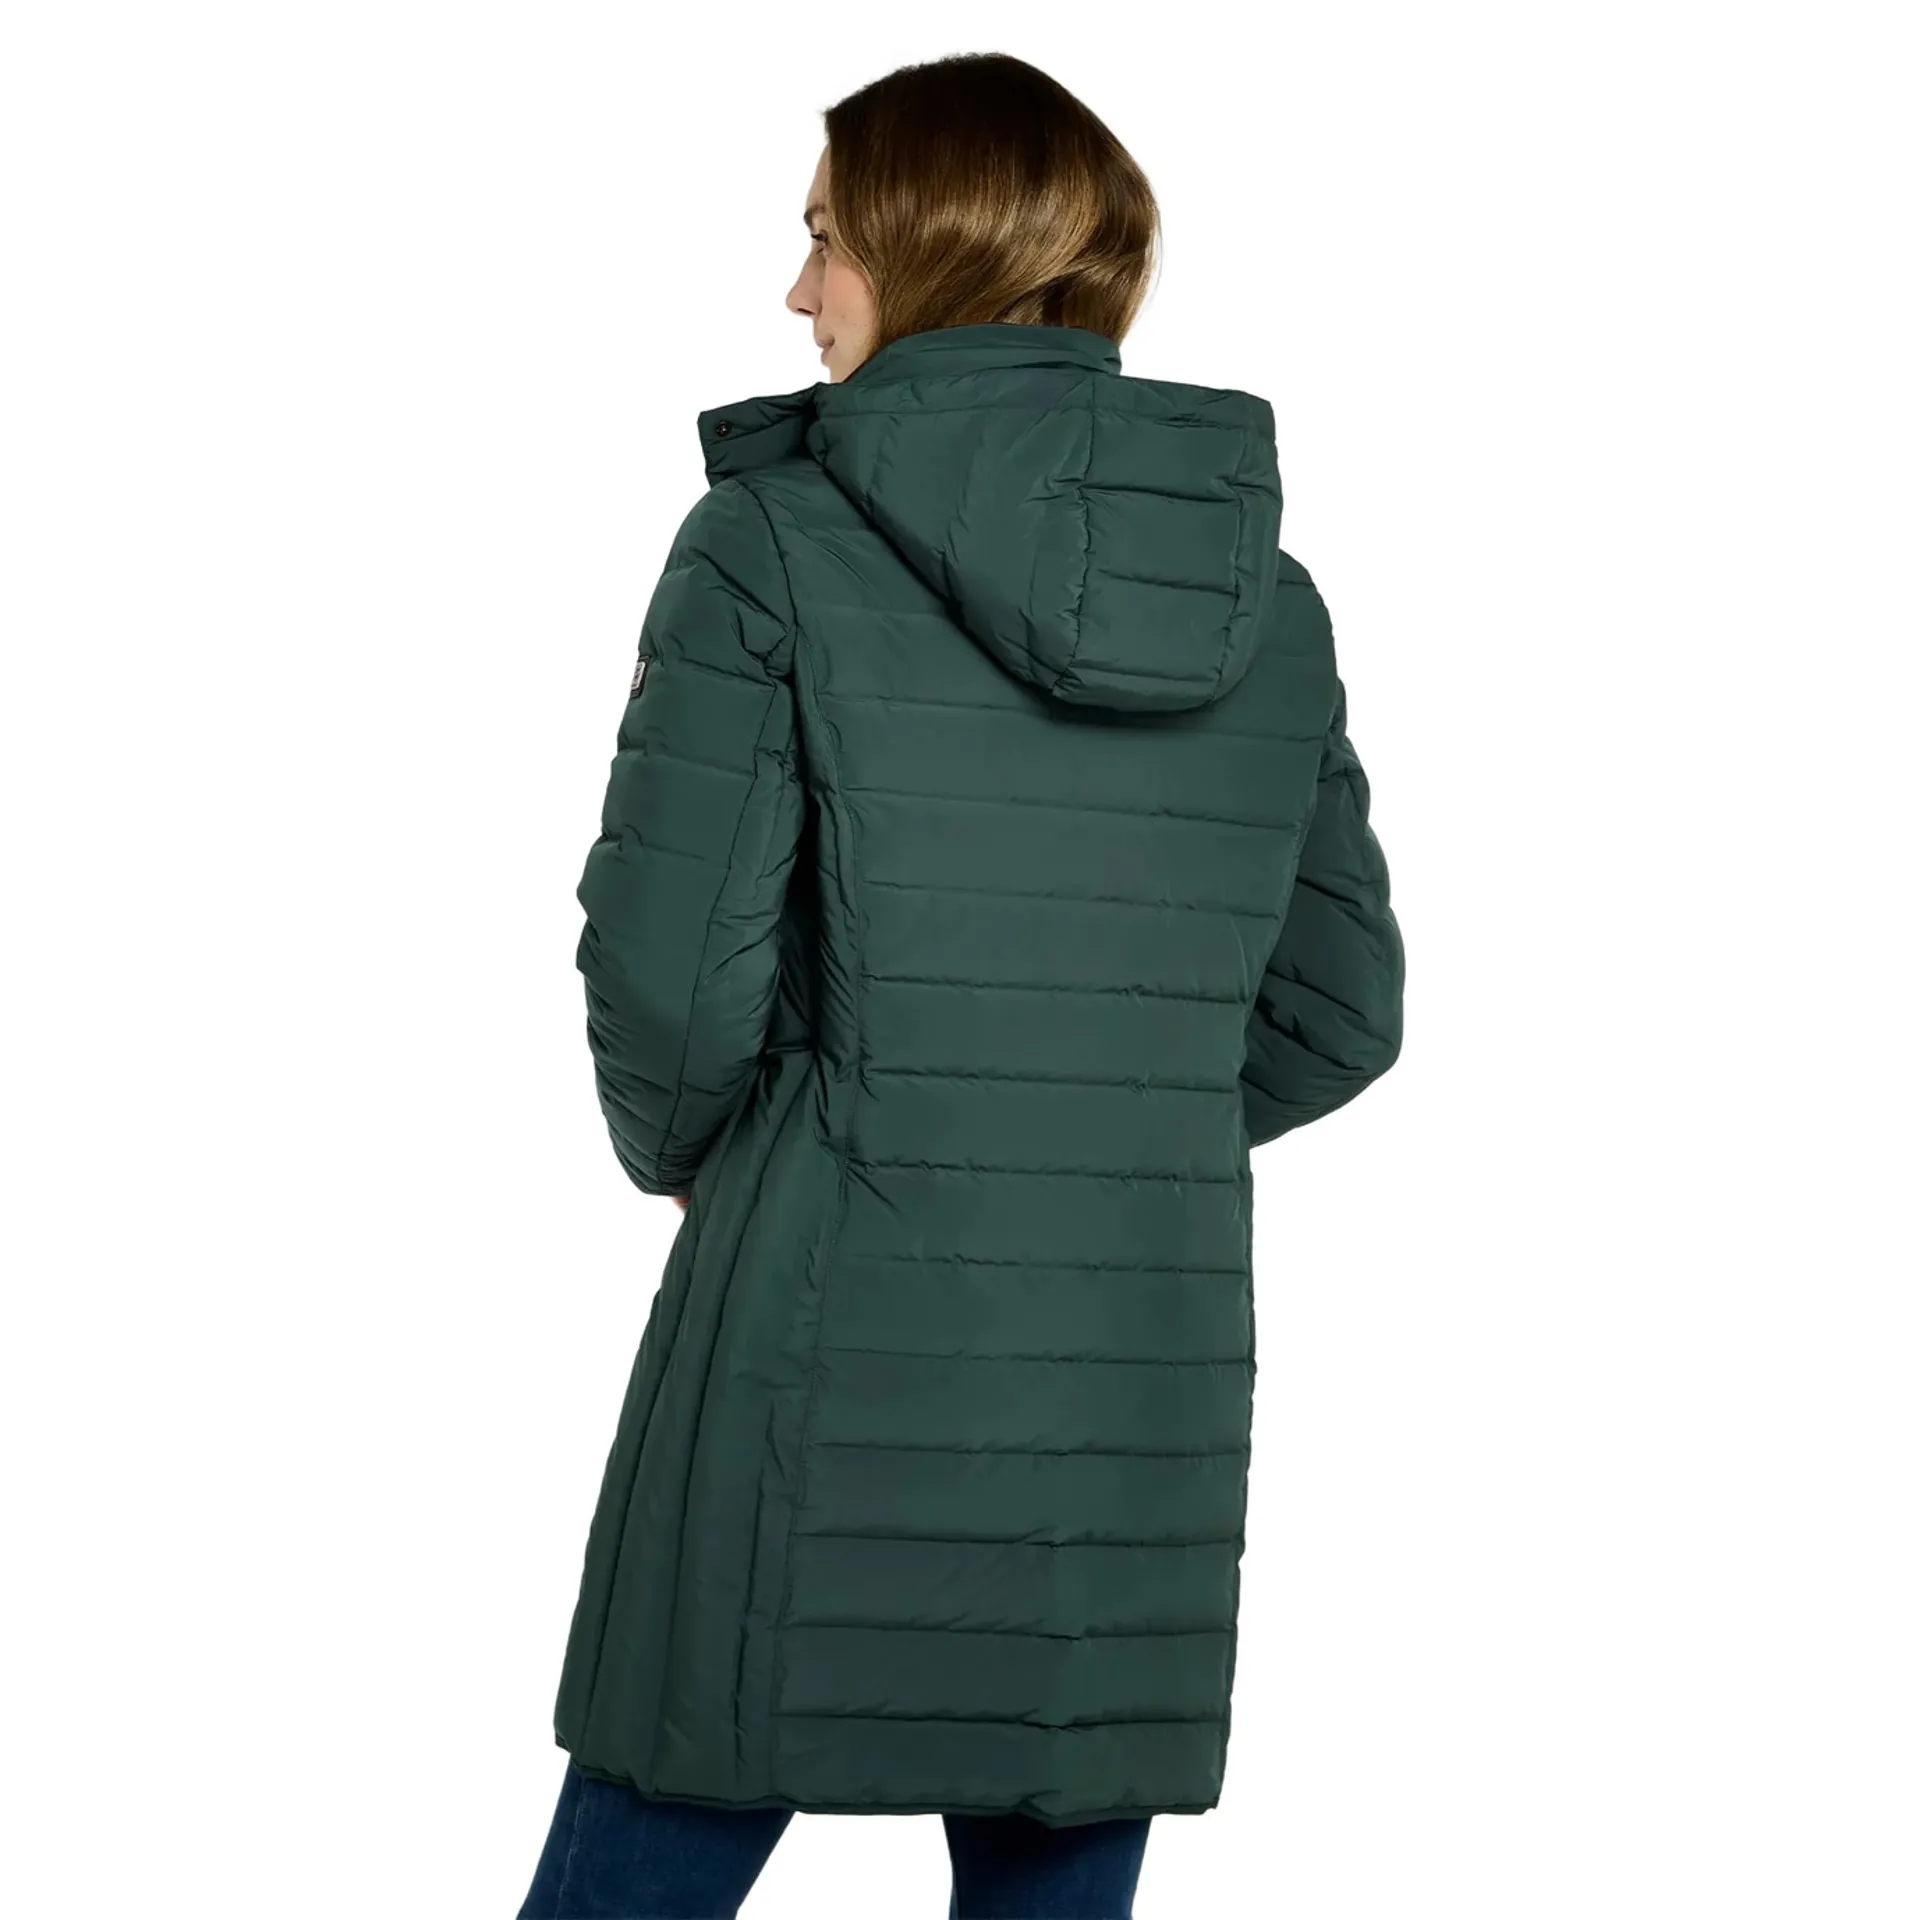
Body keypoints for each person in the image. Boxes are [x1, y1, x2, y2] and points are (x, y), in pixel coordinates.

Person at [520, 49, 1405, 1920]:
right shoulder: (1264, 597)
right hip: (1135, 1363)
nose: (794, 290)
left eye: (826, 237)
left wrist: (712, 1158)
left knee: (655, 1830)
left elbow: (672, 980)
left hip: (810, 1319)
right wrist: (1102, 1122)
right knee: (1053, 1858)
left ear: (928, 251)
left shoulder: (764, 545)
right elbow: (1339, 1006)